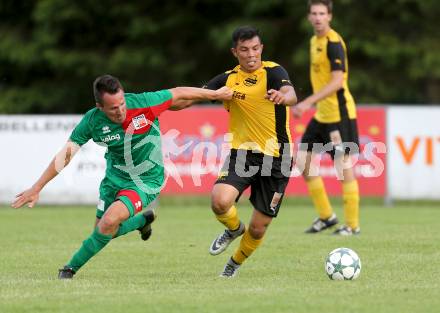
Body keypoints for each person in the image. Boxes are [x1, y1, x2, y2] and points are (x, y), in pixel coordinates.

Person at [11, 74, 233, 279]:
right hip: (113, 179)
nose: (120, 111)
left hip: (145, 180)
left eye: (121, 104)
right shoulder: (92, 121)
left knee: (107, 223)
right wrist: (37, 187)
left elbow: (178, 93)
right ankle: (141, 221)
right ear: (100, 107)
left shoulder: (143, 103)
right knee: (102, 231)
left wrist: (215, 95)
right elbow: (66, 155)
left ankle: (68, 270)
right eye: (112, 109)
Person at [204, 26, 297, 277]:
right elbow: (197, 93)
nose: (251, 54)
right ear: (235, 52)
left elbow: (291, 94)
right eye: (244, 50)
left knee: (257, 229)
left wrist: (282, 96)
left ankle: (233, 264)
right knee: (219, 201)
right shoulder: (227, 79)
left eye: (255, 48)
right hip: (243, 154)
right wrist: (169, 101)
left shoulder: (274, 72)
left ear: (261, 49)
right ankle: (233, 229)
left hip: (278, 158)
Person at [293, 0, 360, 235]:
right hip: (322, 114)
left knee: (343, 167)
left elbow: (337, 81)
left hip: (339, 114)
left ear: (330, 16)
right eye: (314, 13)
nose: (318, 17)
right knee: (303, 160)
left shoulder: (333, 43)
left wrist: (307, 102)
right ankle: (326, 217)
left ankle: (352, 226)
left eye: (322, 13)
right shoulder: (314, 41)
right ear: (309, 17)